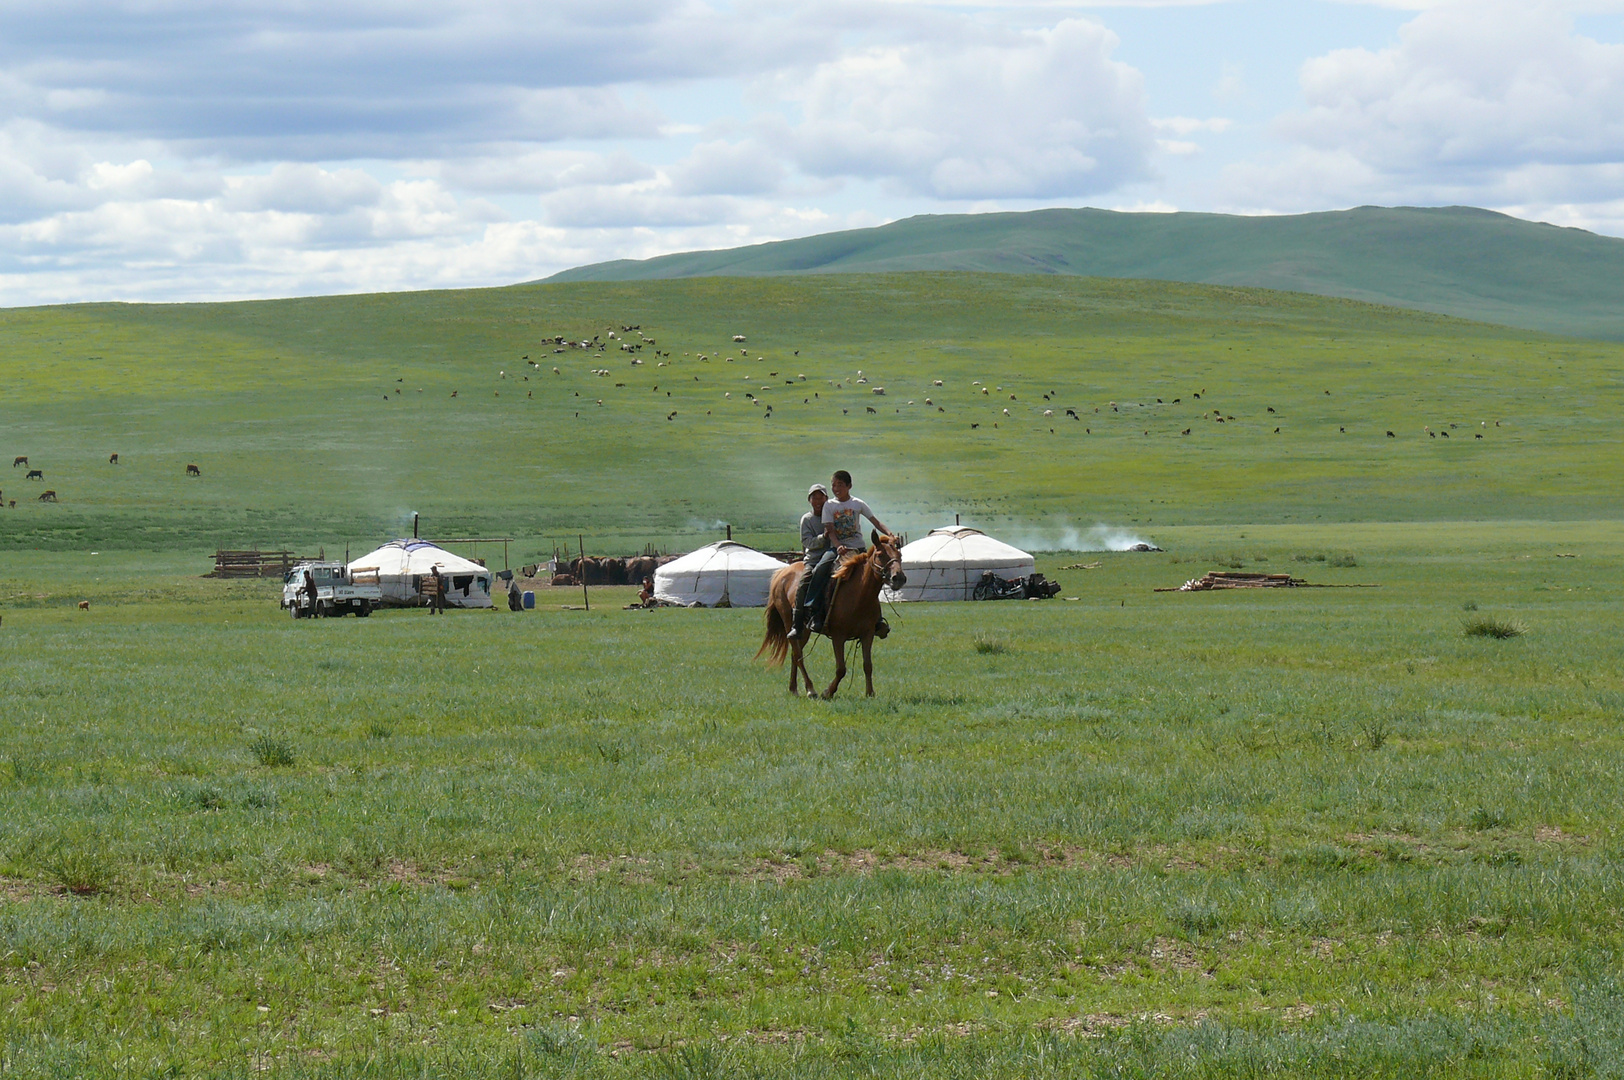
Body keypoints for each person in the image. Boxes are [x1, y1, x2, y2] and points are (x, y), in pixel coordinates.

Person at [789, 470, 893, 640]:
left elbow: (875, 521)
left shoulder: (858, 503)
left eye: (840, 485)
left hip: (858, 549)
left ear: (849, 486)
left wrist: (889, 533)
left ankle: (877, 620)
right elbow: (829, 530)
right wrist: (838, 546)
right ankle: (812, 609)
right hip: (838, 549)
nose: (836, 488)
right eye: (834, 485)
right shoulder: (829, 506)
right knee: (820, 569)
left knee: (872, 578)